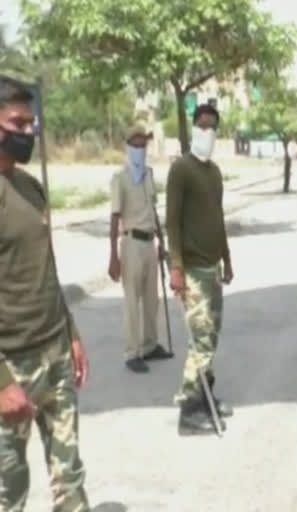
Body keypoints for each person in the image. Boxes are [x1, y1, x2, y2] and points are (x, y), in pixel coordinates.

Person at [0, 76, 90, 511]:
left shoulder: (30, 189)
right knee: (8, 490)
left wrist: (70, 333)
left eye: (31, 123)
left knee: (70, 477)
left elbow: (46, 270)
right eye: (17, 122)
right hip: (11, 368)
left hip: (53, 354)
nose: (27, 132)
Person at [166, 103, 234, 436]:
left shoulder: (214, 172)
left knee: (211, 336)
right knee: (200, 340)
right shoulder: (181, 169)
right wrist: (175, 267)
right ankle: (189, 410)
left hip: (212, 267)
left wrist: (228, 258)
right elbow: (172, 223)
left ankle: (206, 396)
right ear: (194, 128)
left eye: (213, 128)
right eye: (202, 126)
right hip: (191, 269)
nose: (207, 132)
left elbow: (218, 219)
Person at [108, 123, 173, 373]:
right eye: (135, 144)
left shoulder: (148, 174)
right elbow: (115, 216)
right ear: (128, 147)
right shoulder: (120, 178)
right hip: (131, 242)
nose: (140, 149)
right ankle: (132, 352)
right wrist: (113, 255)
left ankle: (149, 345)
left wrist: (162, 240)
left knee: (151, 298)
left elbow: (153, 208)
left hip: (149, 242)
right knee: (132, 300)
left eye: (143, 144)